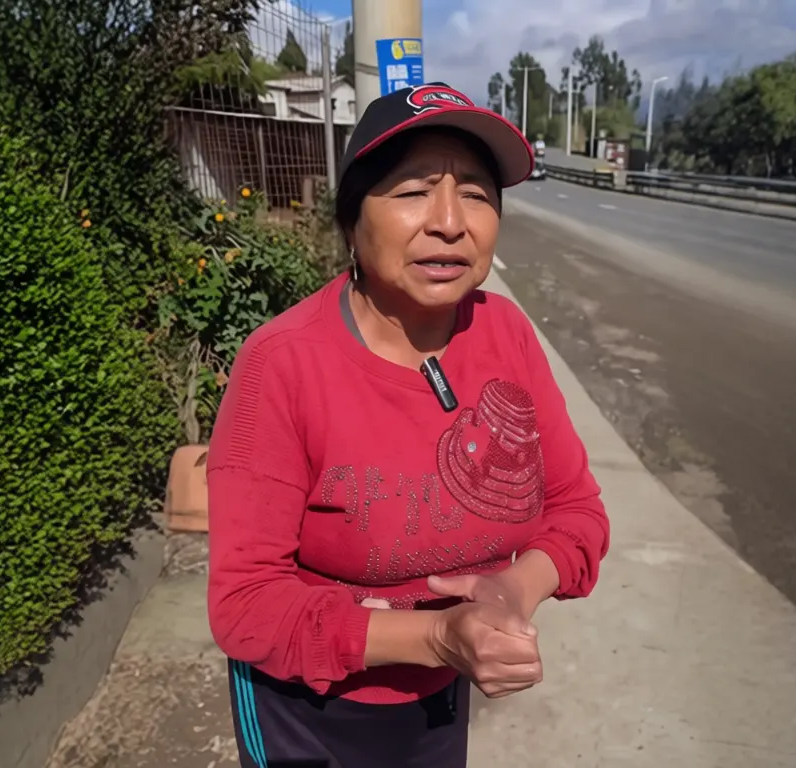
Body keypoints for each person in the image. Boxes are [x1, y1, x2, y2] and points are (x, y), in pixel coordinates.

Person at [206, 82, 611, 768]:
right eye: (414, 190)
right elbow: (246, 605)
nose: (450, 222)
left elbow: (577, 512)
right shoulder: (281, 364)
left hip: (440, 700)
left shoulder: (506, 335)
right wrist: (436, 638)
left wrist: (512, 590)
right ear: (351, 220)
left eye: (476, 193)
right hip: (306, 708)